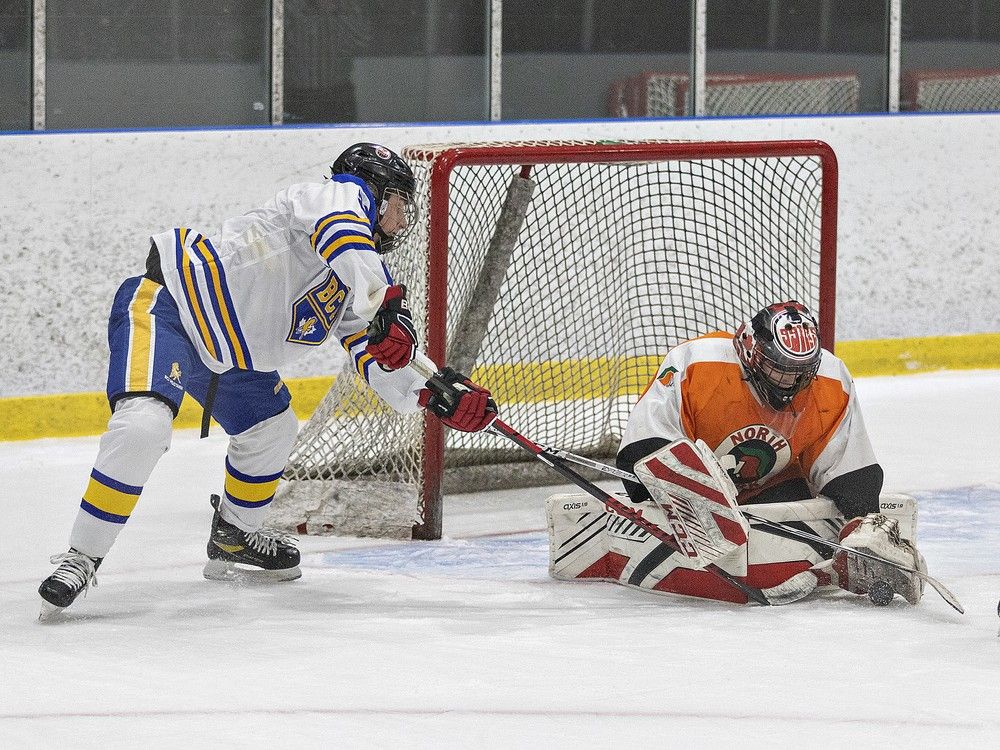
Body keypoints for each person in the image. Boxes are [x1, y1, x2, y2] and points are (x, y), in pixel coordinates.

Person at [38, 143, 496, 617]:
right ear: (373, 191)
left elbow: (372, 348)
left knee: (273, 428)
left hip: (232, 355)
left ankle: (235, 535)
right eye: (399, 204)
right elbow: (348, 241)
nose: (403, 222)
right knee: (143, 427)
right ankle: (81, 556)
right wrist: (386, 308)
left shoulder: (354, 276)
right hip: (169, 309)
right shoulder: (330, 200)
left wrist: (433, 392)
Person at [548, 301, 925, 606]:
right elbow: (641, 448)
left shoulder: (829, 378)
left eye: (801, 372)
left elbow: (848, 465)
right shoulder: (697, 361)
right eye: (780, 370)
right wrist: (689, 489)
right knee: (667, 478)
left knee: (841, 509)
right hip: (695, 489)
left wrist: (861, 522)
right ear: (750, 352)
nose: (791, 383)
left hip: (774, 494)